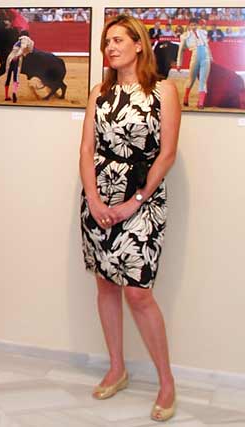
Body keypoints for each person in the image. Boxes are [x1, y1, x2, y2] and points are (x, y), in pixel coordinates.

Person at [79, 15, 180, 423]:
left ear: (139, 44)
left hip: (142, 199)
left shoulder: (164, 91)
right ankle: (117, 367)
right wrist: (93, 198)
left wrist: (135, 201)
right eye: (107, 42)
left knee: (138, 293)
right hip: (97, 201)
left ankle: (167, 382)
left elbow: (167, 153)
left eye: (118, 40)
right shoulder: (98, 93)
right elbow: (86, 150)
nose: (111, 47)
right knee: (105, 284)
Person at [176, 18, 213, 108]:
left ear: (197, 25)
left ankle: (201, 103)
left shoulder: (203, 33)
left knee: (203, 80)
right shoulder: (184, 36)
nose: (193, 26)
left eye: (195, 25)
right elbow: (180, 51)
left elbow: (207, 46)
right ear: (189, 25)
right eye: (192, 25)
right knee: (191, 79)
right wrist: (179, 63)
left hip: (206, 57)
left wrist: (211, 57)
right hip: (195, 56)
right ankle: (186, 97)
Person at [4, 30, 34, 102]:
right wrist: (18, 55)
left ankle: (6, 96)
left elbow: (22, 48)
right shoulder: (26, 40)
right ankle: (14, 92)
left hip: (10, 58)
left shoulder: (19, 41)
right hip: (16, 58)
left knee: (8, 77)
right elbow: (23, 48)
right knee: (15, 76)